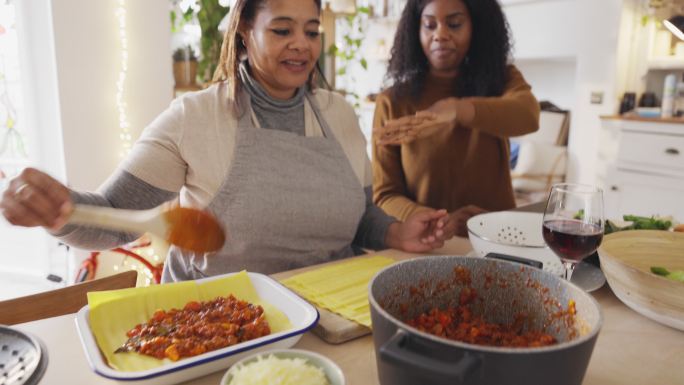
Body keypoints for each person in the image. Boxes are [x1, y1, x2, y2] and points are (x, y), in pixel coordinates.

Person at [0, 0, 449, 283]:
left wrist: (393, 230)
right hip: (217, 326)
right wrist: (58, 212)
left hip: (329, 315)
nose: (302, 45)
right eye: (282, 30)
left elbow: (359, 215)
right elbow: (114, 217)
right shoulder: (194, 118)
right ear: (243, 34)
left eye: (311, 31)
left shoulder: (339, 113)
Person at [372, 0, 540, 238]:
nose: (440, 34)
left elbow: (529, 114)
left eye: (454, 24)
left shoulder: (500, 81)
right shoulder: (392, 101)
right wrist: (439, 221)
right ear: (415, 31)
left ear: (476, 27)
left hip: (499, 240)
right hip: (429, 244)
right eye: (429, 25)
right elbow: (385, 194)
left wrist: (457, 110)